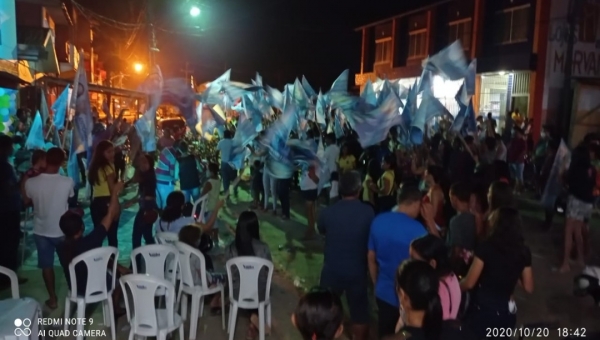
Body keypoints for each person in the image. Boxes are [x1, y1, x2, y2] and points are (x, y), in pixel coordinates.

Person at [460, 207, 534, 339]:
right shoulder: (523, 251)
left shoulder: (486, 247)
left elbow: (469, 283)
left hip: (483, 308)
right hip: (507, 310)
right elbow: (529, 287)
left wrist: (456, 286)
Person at [57, 181, 127, 317]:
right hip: (97, 287)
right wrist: (114, 192)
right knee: (117, 280)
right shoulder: (91, 241)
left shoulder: (60, 247)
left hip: (76, 288)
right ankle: (115, 308)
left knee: (110, 265)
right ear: (82, 228)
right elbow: (111, 214)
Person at [368, 184, 429, 338]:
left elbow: (371, 257)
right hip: (409, 298)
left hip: (383, 292)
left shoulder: (378, 221)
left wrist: (376, 284)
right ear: (416, 203)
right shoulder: (419, 230)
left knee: (385, 333)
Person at [318, 171, 374, 340]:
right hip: (357, 270)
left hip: (332, 269)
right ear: (358, 190)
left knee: (325, 310)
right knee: (359, 313)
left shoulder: (328, 212)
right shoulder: (368, 212)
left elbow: (321, 230)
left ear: (341, 190)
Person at [23, 148, 73, 309]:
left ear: (46, 160)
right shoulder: (67, 182)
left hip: (40, 229)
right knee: (69, 263)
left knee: (46, 265)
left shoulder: (31, 182)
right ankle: (75, 292)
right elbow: (70, 198)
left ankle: (52, 298)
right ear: (61, 162)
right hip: (61, 230)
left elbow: (26, 200)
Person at [224, 211, 273, 339]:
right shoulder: (263, 248)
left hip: (237, 293)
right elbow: (267, 272)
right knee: (258, 287)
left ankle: (252, 319)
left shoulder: (230, 248)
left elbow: (228, 274)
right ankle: (253, 321)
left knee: (240, 288)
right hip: (259, 293)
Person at [559, 145, 596, 273]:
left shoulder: (575, 168)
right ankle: (580, 259)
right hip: (588, 203)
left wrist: (563, 167)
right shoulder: (591, 169)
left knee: (568, 232)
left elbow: (565, 182)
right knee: (578, 231)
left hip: (575, 200)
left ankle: (565, 263)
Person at [409, 235, 461, 320]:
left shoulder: (435, 290)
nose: (410, 265)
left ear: (432, 264)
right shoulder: (451, 277)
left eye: (414, 261)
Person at [88, 140, 120, 247]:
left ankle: (98, 260)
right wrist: (117, 206)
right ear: (102, 153)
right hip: (107, 202)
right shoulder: (108, 168)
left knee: (98, 234)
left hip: (96, 202)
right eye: (109, 152)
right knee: (112, 236)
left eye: (113, 151)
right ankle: (113, 261)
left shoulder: (93, 167)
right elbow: (112, 189)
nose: (112, 154)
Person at [0, 135, 22, 281]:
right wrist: (22, 182)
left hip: (6, 210)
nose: (12, 149)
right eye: (10, 146)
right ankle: (9, 277)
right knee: (9, 244)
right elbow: (8, 189)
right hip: (7, 211)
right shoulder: (4, 167)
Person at [127, 154, 157, 249]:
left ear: (150, 163)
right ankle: (155, 255)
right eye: (141, 163)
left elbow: (147, 197)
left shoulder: (149, 176)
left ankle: (136, 260)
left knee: (137, 235)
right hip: (148, 207)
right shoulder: (147, 174)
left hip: (146, 207)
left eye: (145, 162)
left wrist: (133, 201)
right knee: (146, 235)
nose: (143, 165)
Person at [447, 182, 477, 276]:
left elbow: (456, 249)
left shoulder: (455, 221)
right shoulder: (476, 217)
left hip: (461, 265)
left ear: (454, 198)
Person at [155, 142, 178, 209]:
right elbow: (171, 173)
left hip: (157, 179)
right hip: (166, 183)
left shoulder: (165, 149)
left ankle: (158, 217)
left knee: (158, 202)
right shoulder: (173, 157)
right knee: (166, 203)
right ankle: (164, 218)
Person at [300, 162, 319, 239]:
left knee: (310, 212)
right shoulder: (305, 162)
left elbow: (316, 179)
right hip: (307, 189)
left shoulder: (313, 163)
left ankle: (310, 231)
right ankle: (311, 229)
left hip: (310, 190)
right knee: (309, 211)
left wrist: (311, 174)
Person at [507, 127, 527, 193]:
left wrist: (518, 159)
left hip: (519, 162)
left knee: (519, 176)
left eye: (516, 133)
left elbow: (523, 152)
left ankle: (520, 189)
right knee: (513, 176)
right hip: (512, 160)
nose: (515, 134)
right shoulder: (513, 140)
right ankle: (514, 188)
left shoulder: (522, 141)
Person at [217, 130, 236, 197]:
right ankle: (234, 192)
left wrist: (217, 161)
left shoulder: (221, 142)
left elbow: (216, 152)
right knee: (233, 179)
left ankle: (226, 195)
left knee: (225, 180)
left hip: (224, 163)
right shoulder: (233, 142)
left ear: (224, 135)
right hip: (232, 163)